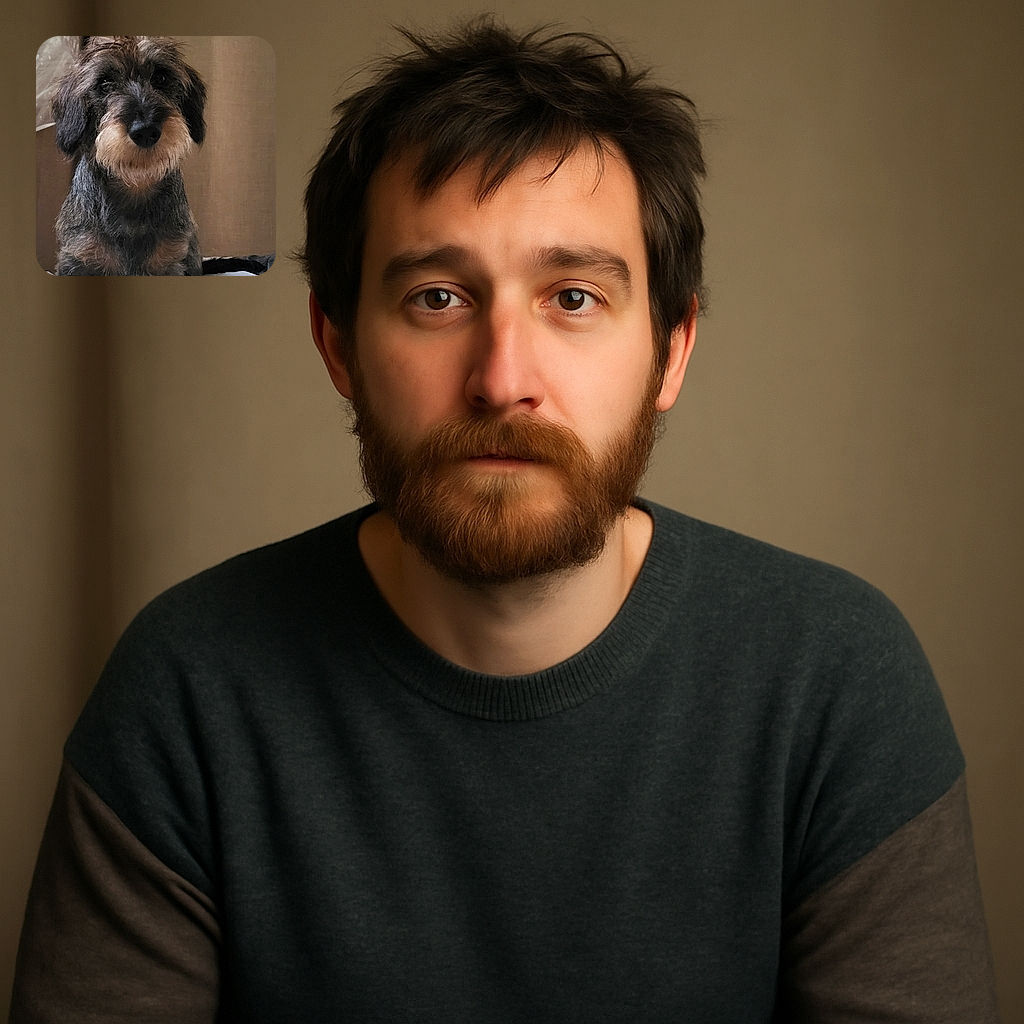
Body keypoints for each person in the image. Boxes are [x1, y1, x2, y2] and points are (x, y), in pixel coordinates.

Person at [11, 19, 999, 1023]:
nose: (502, 379)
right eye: (437, 297)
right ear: (338, 344)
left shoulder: (834, 683)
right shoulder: (185, 696)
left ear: (671, 351)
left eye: (572, 297)